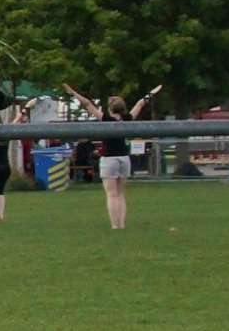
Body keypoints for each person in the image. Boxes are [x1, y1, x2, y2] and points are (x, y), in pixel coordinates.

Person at [64, 84, 163, 231]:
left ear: (111, 109)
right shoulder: (127, 118)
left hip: (109, 158)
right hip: (124, 159)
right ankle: (122, 224)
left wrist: (73, 93)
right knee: (121, 194)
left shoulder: (105, 119)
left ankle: (115, 225)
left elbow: (87, 104)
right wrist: (152, 92)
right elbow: (140, 103)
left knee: (111, 195)